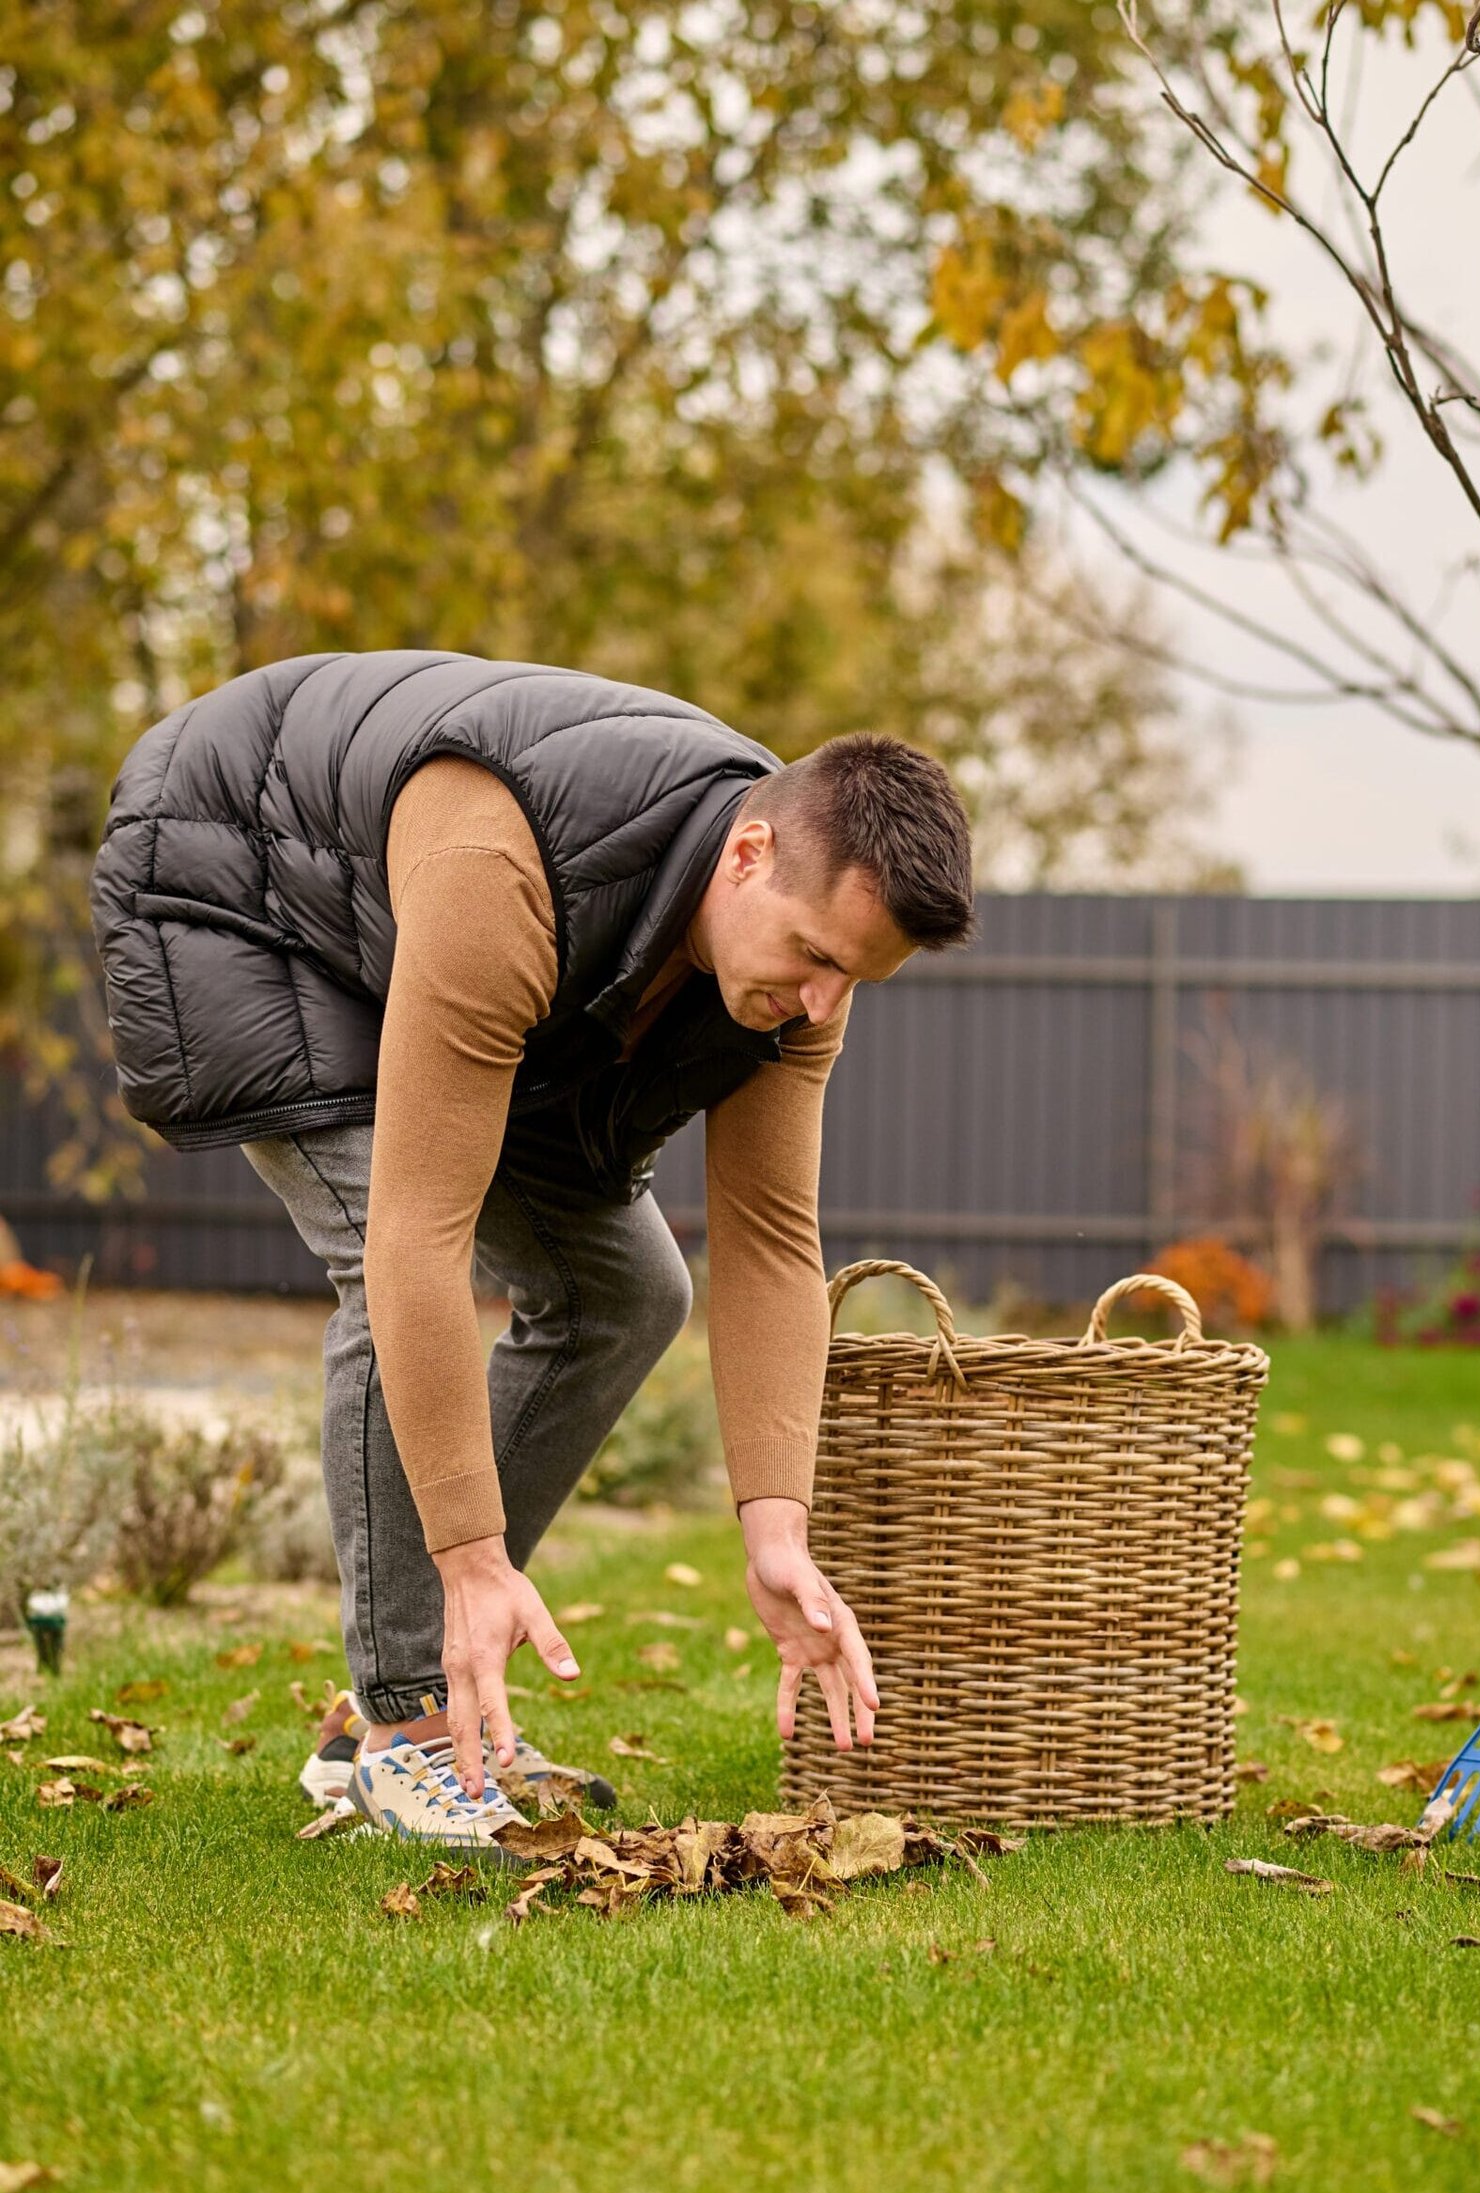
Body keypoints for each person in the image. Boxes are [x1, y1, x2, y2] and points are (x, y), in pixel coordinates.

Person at [91, 653, 975, 1852]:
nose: (823, 1002)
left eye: (854, 979)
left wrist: (777, 1532)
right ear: (751, 853)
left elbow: (769, 1238)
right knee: (381, 1231)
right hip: (238, 878)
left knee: (625, 1288)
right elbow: (416, 1239)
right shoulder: (503, 864)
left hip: (408, 916)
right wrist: (465, 1555)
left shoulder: (796, 969)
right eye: (816, 956)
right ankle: (402, 1730)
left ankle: (405, 1711)